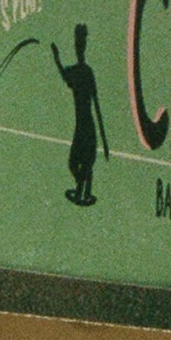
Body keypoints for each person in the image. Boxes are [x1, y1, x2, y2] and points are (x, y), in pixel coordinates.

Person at [51, 23, 109, 207]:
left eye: (80, 42)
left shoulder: (86, 72)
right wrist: (57, 58)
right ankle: (82, 190)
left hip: (87, 125)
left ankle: (83, 192)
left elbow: (97, 104)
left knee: (86, 162)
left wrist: (104, 138)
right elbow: (63, 74)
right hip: (81, 124)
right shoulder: (77, 71)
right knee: (74, 163)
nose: (78, 46)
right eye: (77, 42)